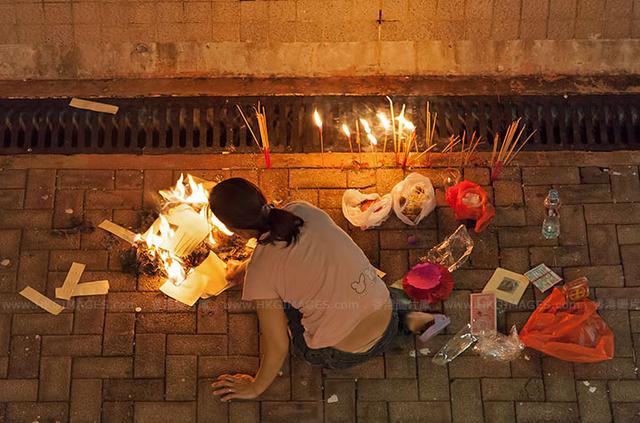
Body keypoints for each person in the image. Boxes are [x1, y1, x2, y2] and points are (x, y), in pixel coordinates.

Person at [209, 178, 440, 402]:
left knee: (285, 309)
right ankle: (410, 319)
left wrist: (255, 387)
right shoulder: (302, 210)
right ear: (261, 197)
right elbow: (286, 249)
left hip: (345, 352)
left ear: (233, 229)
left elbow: (278, 346)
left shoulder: (260, 274)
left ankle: (402, 327)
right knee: (354, 289)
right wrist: (246, 269)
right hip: (385, 310)